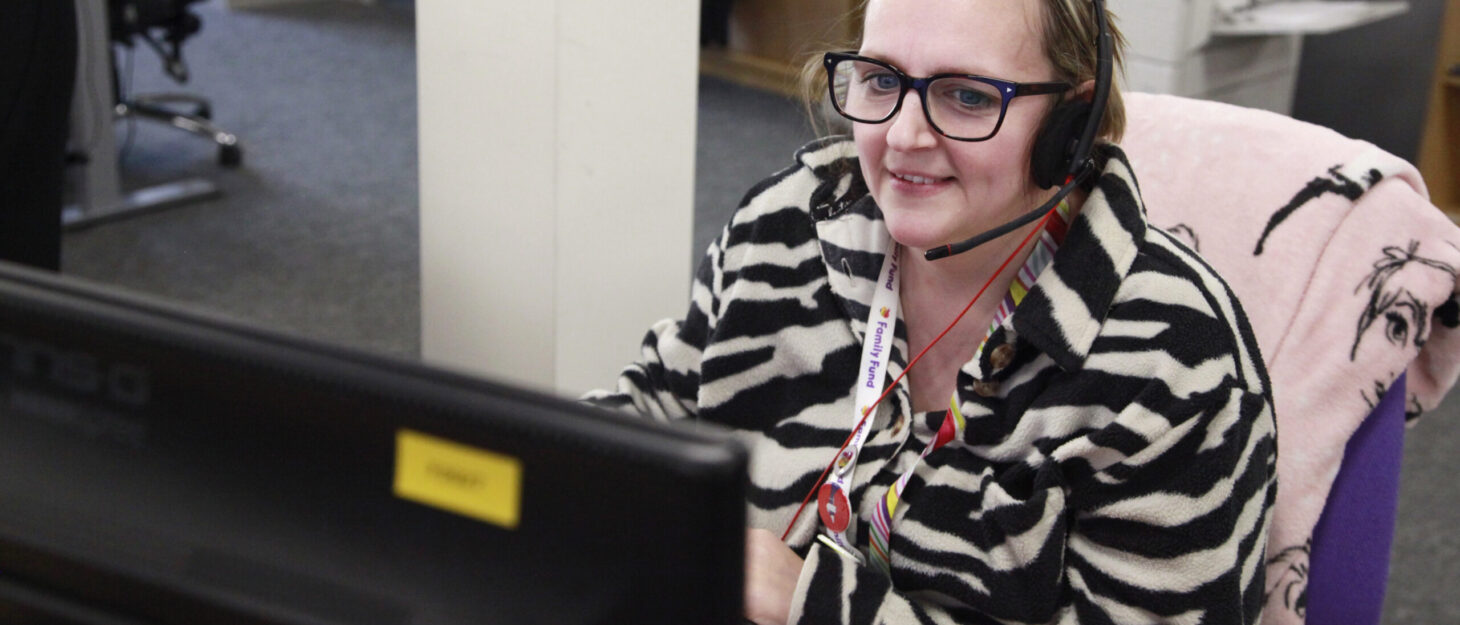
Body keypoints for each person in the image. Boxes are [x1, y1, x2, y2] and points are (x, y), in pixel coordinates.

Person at [587, 0, 1277, 623]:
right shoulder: (784, 226)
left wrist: (816, 604)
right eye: (882, 81)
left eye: (967, 96)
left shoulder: (1175, 362)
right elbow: (645, 426)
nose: (904, 137)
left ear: (1074, 121)